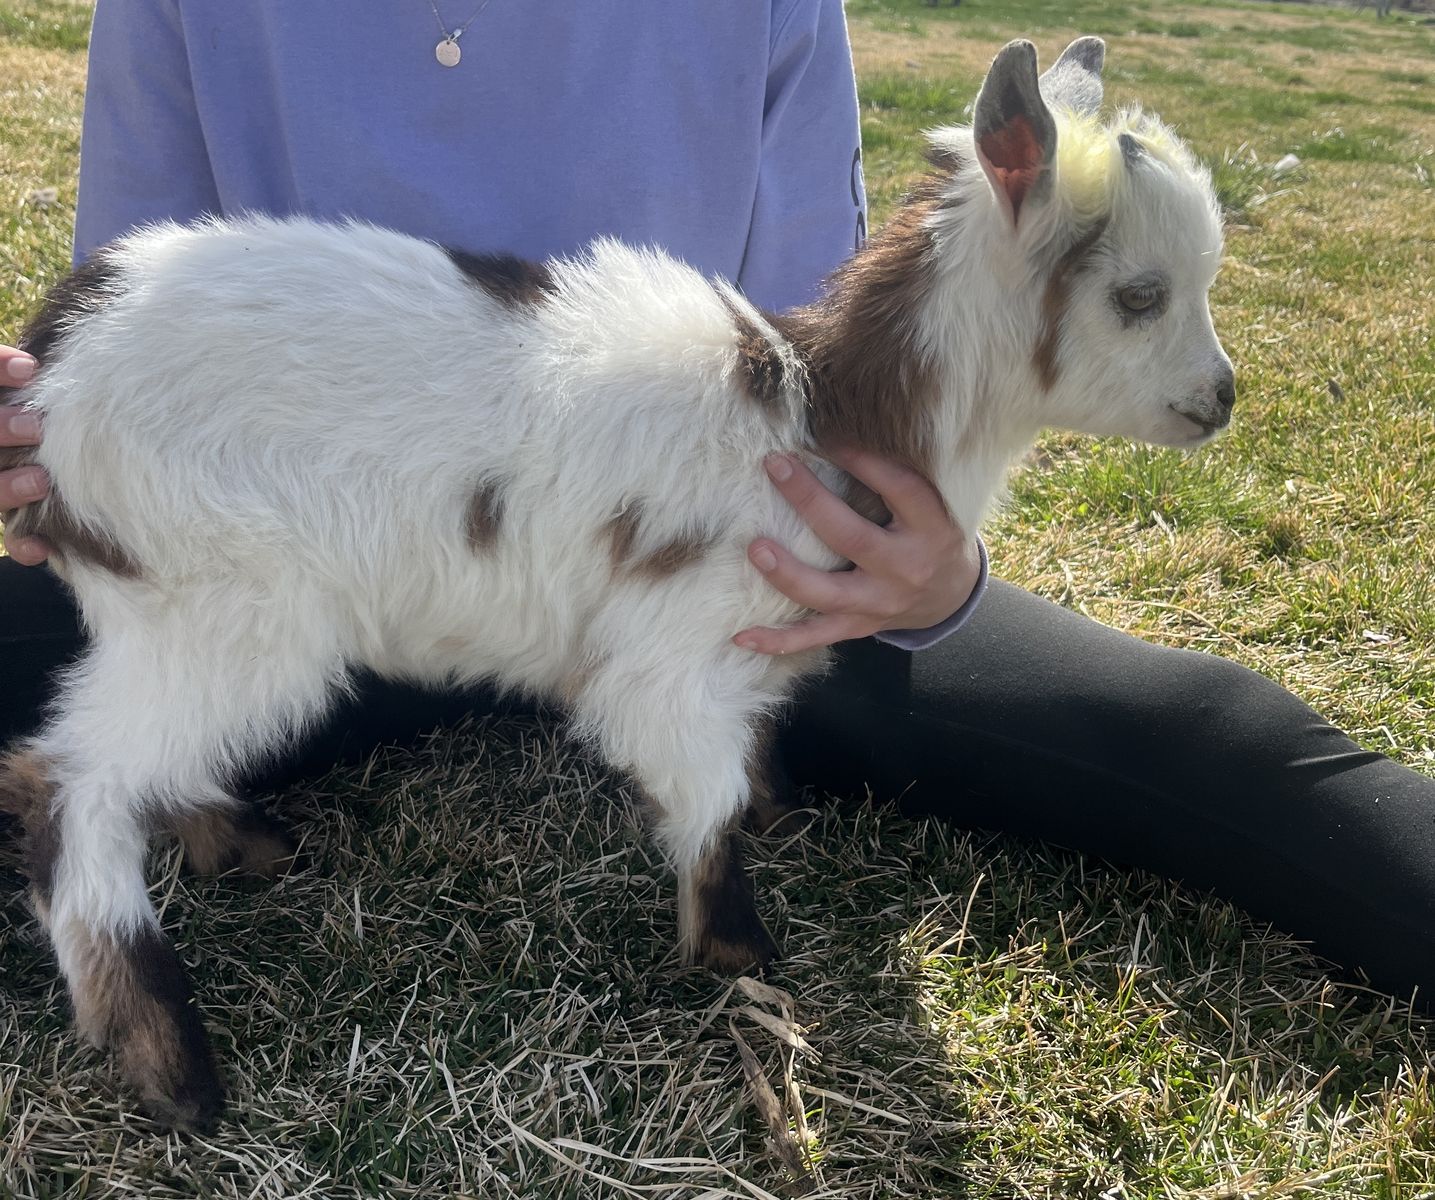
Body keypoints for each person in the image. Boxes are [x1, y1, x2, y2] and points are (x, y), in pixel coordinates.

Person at [2, 0, 1431, 1001]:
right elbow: (143, 301)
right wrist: (38, 431)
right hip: (326, 559)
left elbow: (823, 358)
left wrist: (929, 576)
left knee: (1225, 751)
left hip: (714, 578)